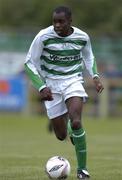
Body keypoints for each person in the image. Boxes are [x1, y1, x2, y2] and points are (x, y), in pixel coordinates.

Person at [25, 6, 104, 179]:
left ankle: (82, 170)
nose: (57, 25)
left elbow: (89, 56)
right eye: (54, 21)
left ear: (70, 21)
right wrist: (41, 86)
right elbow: (29, 62)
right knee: (61, 136)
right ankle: (68, 128)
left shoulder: (82, 37)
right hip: (51, 84)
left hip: (73, 81)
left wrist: (95, 76)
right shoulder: (43, 36)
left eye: (61, 21)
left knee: (77, 122)